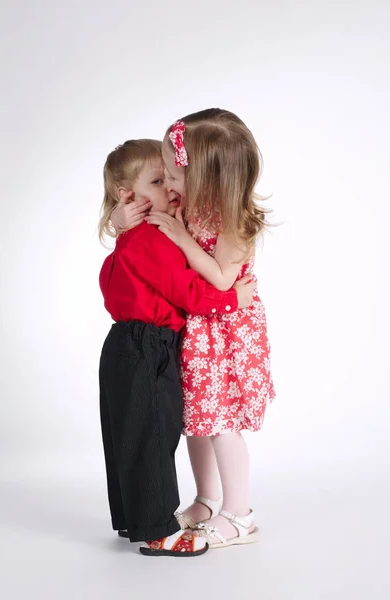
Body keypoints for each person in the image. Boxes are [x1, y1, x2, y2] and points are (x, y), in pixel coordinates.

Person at [111, 109, 275, 549]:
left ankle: (239, 514)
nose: (169, 184)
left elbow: (223, 280)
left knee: (221, 422)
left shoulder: (234, 219)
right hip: (197, 330)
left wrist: (182, 238)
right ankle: (206, 498)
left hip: (223, 334)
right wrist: (122, 222)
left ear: (208, 176)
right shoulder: (193, 205)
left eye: (174, 176)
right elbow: (146, 242)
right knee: (195, 421)